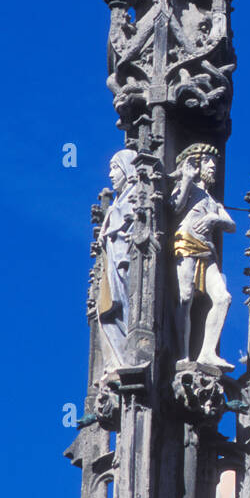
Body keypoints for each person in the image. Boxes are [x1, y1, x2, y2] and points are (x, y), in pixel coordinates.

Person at [170, 144, 236, 368]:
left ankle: (207, 352)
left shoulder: (212, 200)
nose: (213, 167)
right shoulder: (187, 187)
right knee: (185, 297)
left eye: (215, 163)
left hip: (207, 251)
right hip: (186, 244)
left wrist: (213, 219)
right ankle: (182, 355)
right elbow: (175, 207)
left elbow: (231, 225)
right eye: (208, 162)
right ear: (196, 164)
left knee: (223, 298)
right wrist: (187, 179)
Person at [97, 148, 139, 370]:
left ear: (128, 169)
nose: (111, 175)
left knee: (128, 305)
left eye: (115, 168)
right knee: (107, 312)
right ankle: (119, 358)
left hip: (126, 263)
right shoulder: (118, 202)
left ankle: (131, 355)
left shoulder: (135, 198)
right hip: (114, 265)